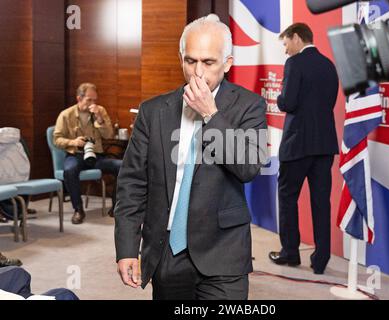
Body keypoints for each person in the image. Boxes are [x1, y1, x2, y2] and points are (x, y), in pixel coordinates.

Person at [114, 14, 267, 300]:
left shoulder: (250, 106)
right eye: (190, 61)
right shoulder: (153, 111)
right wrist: (126, 247)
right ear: (181, 58)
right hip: (167, 252)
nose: (198, 72)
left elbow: (248, 167)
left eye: (208, 63)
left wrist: (211, 114)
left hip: (224, 252)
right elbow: (132, 184)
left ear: (227, 64)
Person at [268, 23, 339, 274]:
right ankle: (320, 260)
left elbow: (288, 102)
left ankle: (290, 253)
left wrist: (277, 97)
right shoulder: (329, 65)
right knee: (321, 203)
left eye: (286, 44)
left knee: (287, 197)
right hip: (324, 145)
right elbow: (328, 103)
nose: (286, 50)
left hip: (297, 144)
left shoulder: (295, 64)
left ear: (297, 38)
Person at [54, 83, 122, 224]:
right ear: (79, 98)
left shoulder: (100, 111)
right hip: (76, 154)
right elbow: (56, 139)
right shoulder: (66, 115)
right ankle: (78, 209)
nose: (93, 103)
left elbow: (109, 134)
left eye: (95, 100)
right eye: (89, 100)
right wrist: (73, 142)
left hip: (96, 155)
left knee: (121, 166)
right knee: (69, 170)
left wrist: (100, 119)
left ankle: (116, 206)